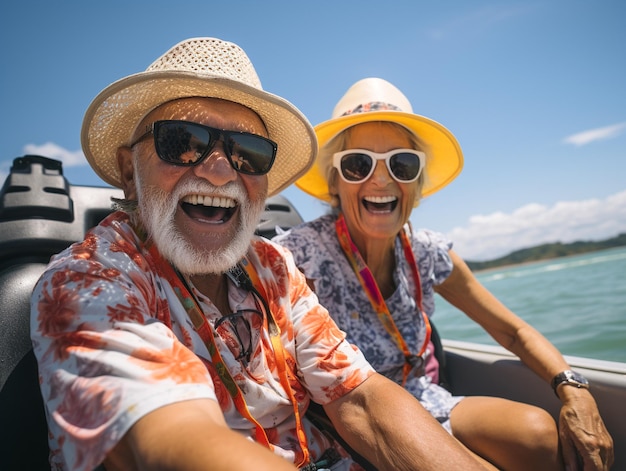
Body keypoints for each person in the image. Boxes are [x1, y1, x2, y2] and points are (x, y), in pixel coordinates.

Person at [30, 38, 489, 471]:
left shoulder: (271, 265)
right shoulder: (89, 281)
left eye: (247, 152)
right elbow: (170, 443)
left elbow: (360, 399)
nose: (218, 170)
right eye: (182, 141)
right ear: (130, 171)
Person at [273, 77, 614, 471]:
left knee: (539, 434)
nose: (381, 180)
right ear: (335, 182)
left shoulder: (427, 252)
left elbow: (512, 331)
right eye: (357, 164)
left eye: (401, 164)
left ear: (416, 183)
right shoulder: (298, 256)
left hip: (424, 395)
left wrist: (574, 390)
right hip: (353, 420)